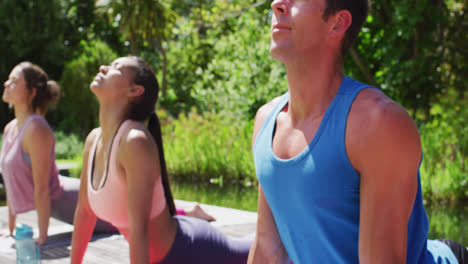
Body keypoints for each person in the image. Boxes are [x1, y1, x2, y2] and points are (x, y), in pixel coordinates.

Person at [248, 0, 467, 264]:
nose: (277, 5)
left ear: (338, 23)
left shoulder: (378, 124)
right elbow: (267, 251)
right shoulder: (266, 121)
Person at [0, 62, 214, 246]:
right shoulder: (10, 129)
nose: (6, 84)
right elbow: (10, 182)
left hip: (66, 200)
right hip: (59, 203)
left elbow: (42, 188)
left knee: (127, 217)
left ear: (32, 92)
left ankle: (187, 212)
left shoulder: (35, 128)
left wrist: (43, 237)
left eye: (14, 80)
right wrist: (10, 229)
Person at [70, 56, 252, 263]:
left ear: (134, 91)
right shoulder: (94, 140)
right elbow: (84, 213)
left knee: (270, 250)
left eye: (116, 68)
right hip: (166, 250)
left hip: (190, 252)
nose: (102, 68)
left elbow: (140, 230)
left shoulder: (133, 142)